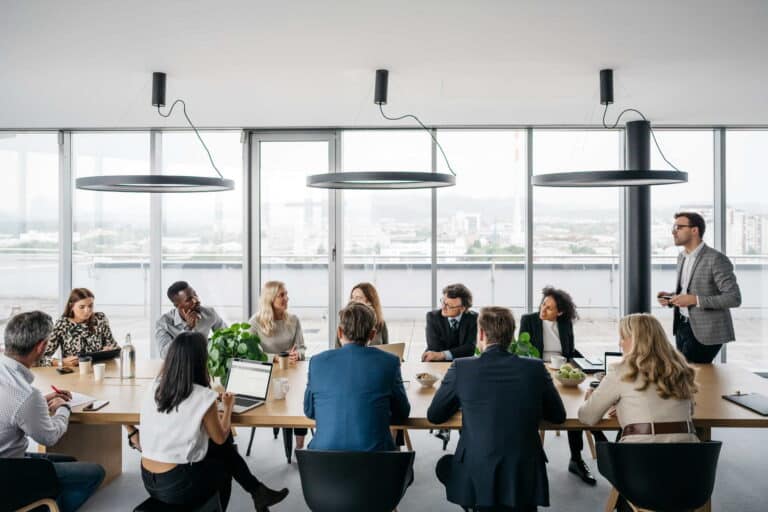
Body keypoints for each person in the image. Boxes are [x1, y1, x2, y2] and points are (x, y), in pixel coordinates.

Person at [428, 307, 566, 512]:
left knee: (445, 466)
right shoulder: (535, 368)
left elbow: (435, 416)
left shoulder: (462, 367)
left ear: (481, 334)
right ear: (512, 335)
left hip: (478, 470)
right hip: (523, 473)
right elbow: (558, 416)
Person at [139, 332, 288, 511]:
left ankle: (258, 492)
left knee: (220, 449)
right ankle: (255, 492)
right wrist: (227, 407)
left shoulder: (154, 388)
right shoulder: (203, 397)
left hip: (149, 480)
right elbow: (220, 437)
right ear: (200, 361)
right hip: (177, 484)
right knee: (224, 458)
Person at [0, 311, 105, 512]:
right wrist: (64, 408)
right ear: (41, 347)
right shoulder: (26, 396)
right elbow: (48, 437)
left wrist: (39, 401)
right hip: (8, 473)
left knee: (70, 460)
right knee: (95, 471)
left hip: (6, 459)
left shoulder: (16, 385)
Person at [304, 301, 410, 451]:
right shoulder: (390, 362)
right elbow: (402, 413)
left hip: (323, 467)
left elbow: (310, 411)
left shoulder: (317, 362)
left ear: (339, 332)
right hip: (377, 464)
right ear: (372, 335)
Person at [578, 313, 699, 443]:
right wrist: (628, 408)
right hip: (688, 456)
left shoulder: (621, 371)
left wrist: (591, 398)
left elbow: (587, 417)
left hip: (639, 457)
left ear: (637, 340)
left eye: (623, 338)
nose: (620, 343)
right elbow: (689, 411)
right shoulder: (679, 369)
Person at [519, 286, 596, 486]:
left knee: (576, 408)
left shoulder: (564, 323)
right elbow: (523, 351)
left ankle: (576, 459)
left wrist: (589, 364)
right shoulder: (529, 320)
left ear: (560, 312)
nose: (543, 310)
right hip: (537, 372)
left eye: (549, 308)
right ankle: (530, 459)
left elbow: (570, 351)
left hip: (562, 372)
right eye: (543, 304)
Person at [657, 212, 741, 363]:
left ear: (694, 230)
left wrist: (694, 300)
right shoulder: (682, 257)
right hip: (682, 326)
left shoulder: (716, 259)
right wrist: (671, 298)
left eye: (679, 227)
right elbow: (687, 291)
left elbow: (733, 298)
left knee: (693, 377)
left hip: (706, 332)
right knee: (685, 376)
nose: (673, 231)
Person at [249, 281, 308, 449]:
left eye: (286, 294)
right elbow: (250, 353)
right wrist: (273, 357)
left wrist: (298, 354)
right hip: (268, 376)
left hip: (293, 373)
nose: (286, 298)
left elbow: (302, 347)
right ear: (270, 298)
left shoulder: (293, 320)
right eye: (281, 295)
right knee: (283, 403)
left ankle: (299, 448)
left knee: (299, 404)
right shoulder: (255, 322)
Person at [40, 288, 118, 367]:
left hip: (100, 370)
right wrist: (61, 362)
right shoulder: (62, 324)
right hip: (74, 373)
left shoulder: (100, 318)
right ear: (71, 306)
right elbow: (40, 359)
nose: (87, 310)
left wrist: (110, 350)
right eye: (82, 307)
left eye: (90, 306)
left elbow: (115, 348)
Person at [155, 281, 226, 358]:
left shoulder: (209, 313)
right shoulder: (163, 322)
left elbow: (226, 335)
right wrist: (187, 329)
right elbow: (164, 355)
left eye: (195, 295)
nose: (197, 301)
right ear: (177, 305)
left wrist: (210, 345)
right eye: (189, 300)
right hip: (179, 366)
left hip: (204, 363)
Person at [423, 283, 477, 362]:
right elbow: (434, 348)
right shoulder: (432, 317)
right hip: (436, 361)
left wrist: (443, 355)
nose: (443, 308)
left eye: (449, 306)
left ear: (462, 308)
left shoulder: (474, 319)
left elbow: (470, 348)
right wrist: (440, 355)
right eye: (443, 302)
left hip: (463, 362)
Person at [335, 282, 389, 347]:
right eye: (352, 297)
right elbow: (337, 349)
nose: (353, 301)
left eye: (358, 298)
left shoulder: (381, 324)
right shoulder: (345, 322)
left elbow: (387, 349)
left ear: (370, 302)